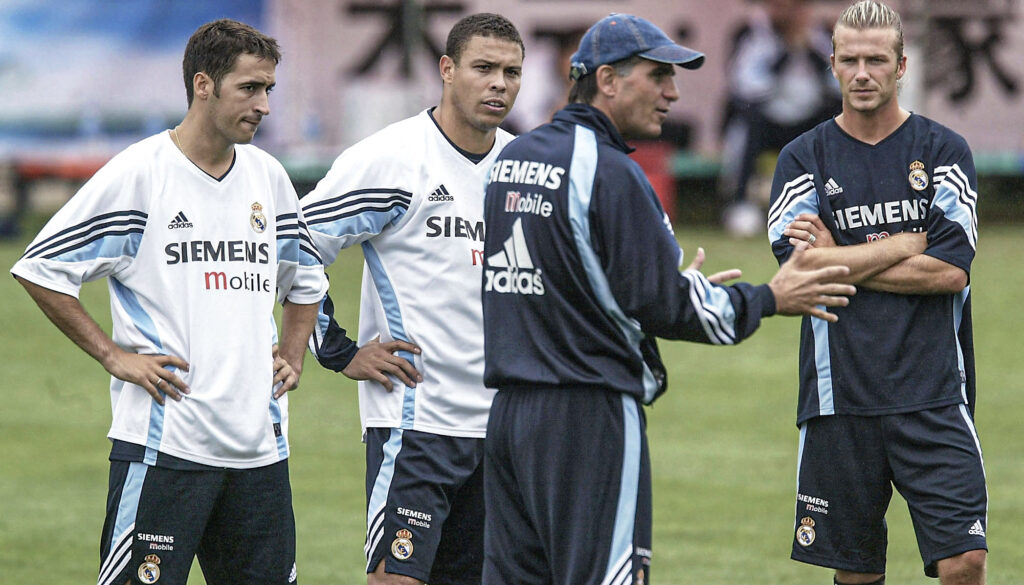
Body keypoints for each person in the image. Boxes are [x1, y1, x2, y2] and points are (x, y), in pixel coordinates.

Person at [479, 13, 856, 585]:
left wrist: (669, 282)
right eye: (657, 76)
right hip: (589, 415)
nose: (672, 94)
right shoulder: (611, 173)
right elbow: (666, 307)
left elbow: (575, 282)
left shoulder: (511, 160)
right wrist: (770, 297)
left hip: (508, 419)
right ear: (608, 80)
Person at [11, 19, 327, 585]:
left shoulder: (269, 177)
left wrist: (295, 352)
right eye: (249, 89)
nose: (264, 105)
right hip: (163, 449)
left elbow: (305, 279)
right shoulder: (141, 174)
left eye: (269, 90)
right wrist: (113, 356)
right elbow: (42, 267)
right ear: (203, 84)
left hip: (259, 453)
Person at [300, 13, 524, 585]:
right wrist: (340, 350)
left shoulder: (526, 170)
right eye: (484, 68)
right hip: (415, 423)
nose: (499, 83)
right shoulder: (393, 158)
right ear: (447, 70)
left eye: (511, 72)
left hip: (505, 429)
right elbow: (296, 246)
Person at [767, 2, 986, 584]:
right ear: (833, 63)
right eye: (851, 60)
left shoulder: (944, 151)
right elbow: (802, 272)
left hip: (934, 393)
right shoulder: (801, 158)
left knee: (964, 563)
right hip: (841, 398)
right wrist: (905, 244)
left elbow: (949, 272)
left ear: (901, 66)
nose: (863, 73)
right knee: (856, 574)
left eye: (877, 60)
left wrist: (840, 252)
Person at [719, 0, 841, 237]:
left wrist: (808, 52)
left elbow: (837, 85)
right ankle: (741, 203)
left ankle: (832, 205)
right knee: (746, 126)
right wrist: (786, 53)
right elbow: (746, 86)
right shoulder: (750, 33)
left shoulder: (823, 35)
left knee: (834, 126)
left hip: (808, 120)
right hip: (766, 121)